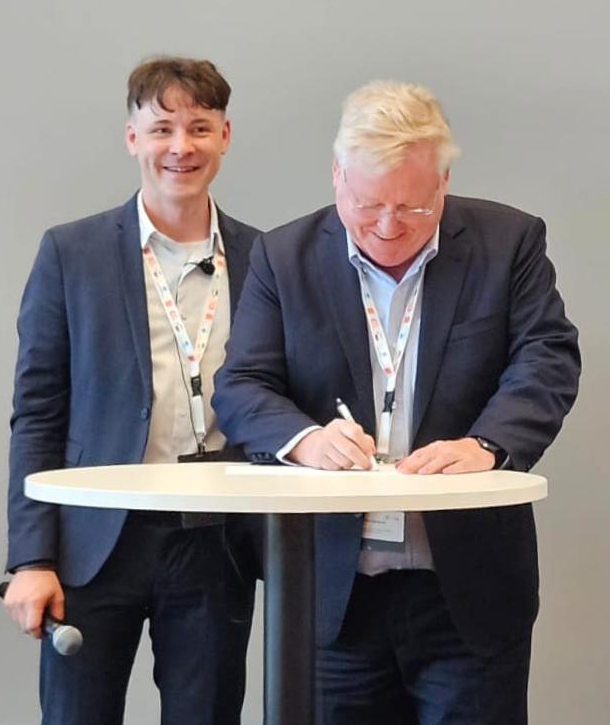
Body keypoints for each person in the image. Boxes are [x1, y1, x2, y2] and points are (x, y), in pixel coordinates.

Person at [213, 80, 580, 725]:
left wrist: (487, 445)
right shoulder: (284, 257)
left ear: (443, 182)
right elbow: (242, 385)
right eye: (370, 203)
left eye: (413, 207)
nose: (388, 226)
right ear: (337, 177)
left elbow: (546, 359)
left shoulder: (508, 243)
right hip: (331, 594)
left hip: (464, 589)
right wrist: (303, 439)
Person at [2, 56, 260, 725]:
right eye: (162, 128)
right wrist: (31, 556)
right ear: (132, 138)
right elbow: (36, 414)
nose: (182, 147)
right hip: (94, 541)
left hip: (216, 540)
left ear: (225, 136)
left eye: (199, 128)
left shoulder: (266, 259)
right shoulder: (71, 252)